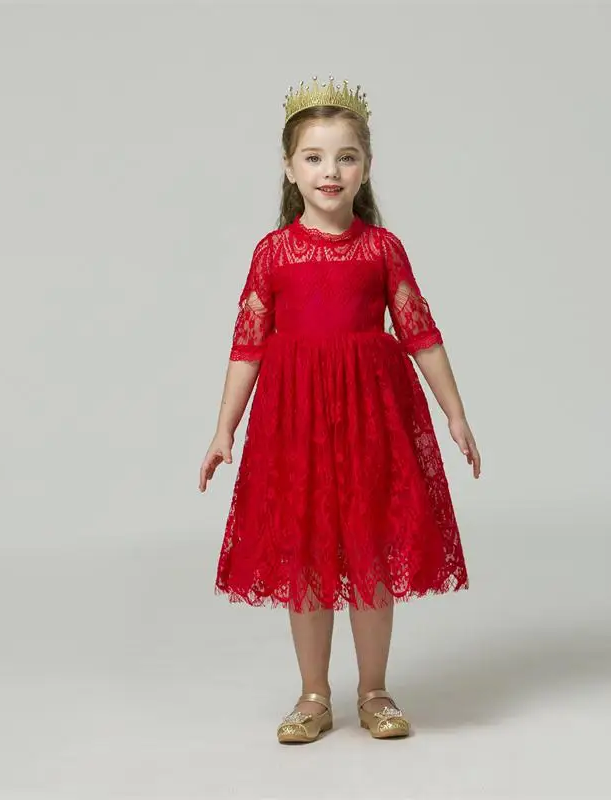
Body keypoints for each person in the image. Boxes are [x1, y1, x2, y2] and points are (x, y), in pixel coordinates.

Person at [198, 76, 481, 744]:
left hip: (371, 417)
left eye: (345, 157)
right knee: (307, 553)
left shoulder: (382, 249)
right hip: (296, 421)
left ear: (367, 167)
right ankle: (313, 695)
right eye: (315, 157)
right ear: (290, 168)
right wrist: (223, 429)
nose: (330, 171)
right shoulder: (273, 253)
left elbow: (420, 332)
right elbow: (247, 344)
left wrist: (455, 414)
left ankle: (374, 690)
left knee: (371, 549)